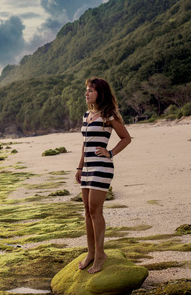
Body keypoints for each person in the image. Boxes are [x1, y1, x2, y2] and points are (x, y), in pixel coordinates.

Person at [75, 77, 131, 274]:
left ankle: (100, 255)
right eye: (87, 90)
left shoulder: (109, 115)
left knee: (95, 211)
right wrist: (80, 167)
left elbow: (126, 138)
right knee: (87, 211)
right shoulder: (86, 115)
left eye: (90, 90)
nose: (87, 93)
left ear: (100, 93)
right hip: (88, 168)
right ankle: (91, 253)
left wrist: (110, 152)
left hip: (102, 167)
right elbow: (85, 143)